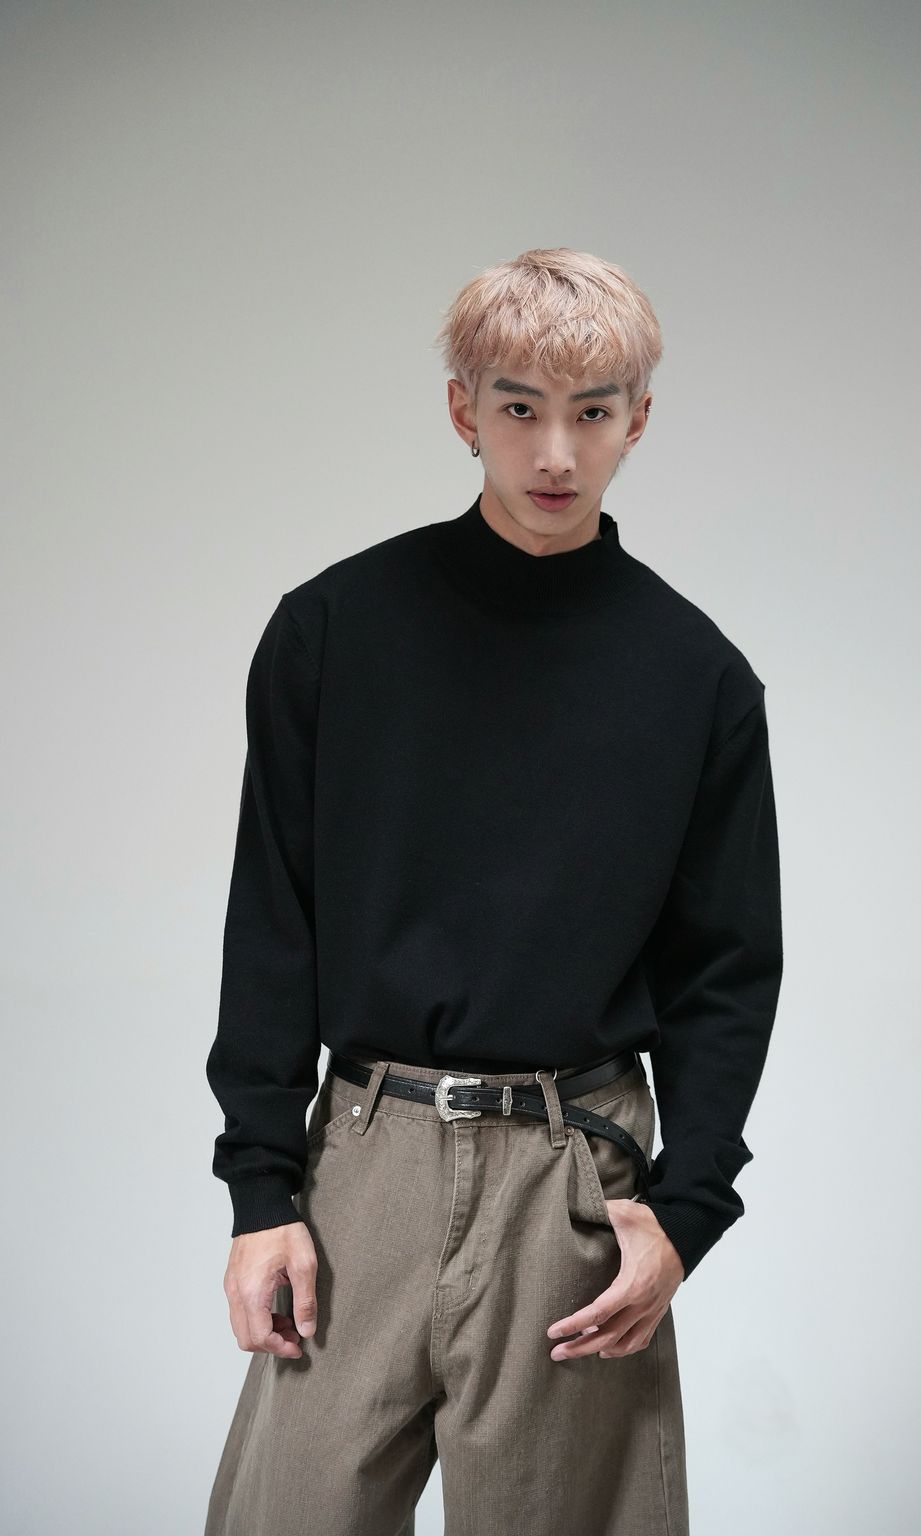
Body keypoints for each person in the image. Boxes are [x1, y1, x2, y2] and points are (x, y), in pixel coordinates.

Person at [203, 246, 784, 1536]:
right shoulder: (334, 630)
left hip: (573, 1175)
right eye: (520, 407)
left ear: (640, 418)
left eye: (593, 412)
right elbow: (273, 919)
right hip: (363, 1161)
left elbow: (727, 971)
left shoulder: (696, 679)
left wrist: (686, 1211)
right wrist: (260, 1193)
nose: (556, 454)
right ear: (463, 408)